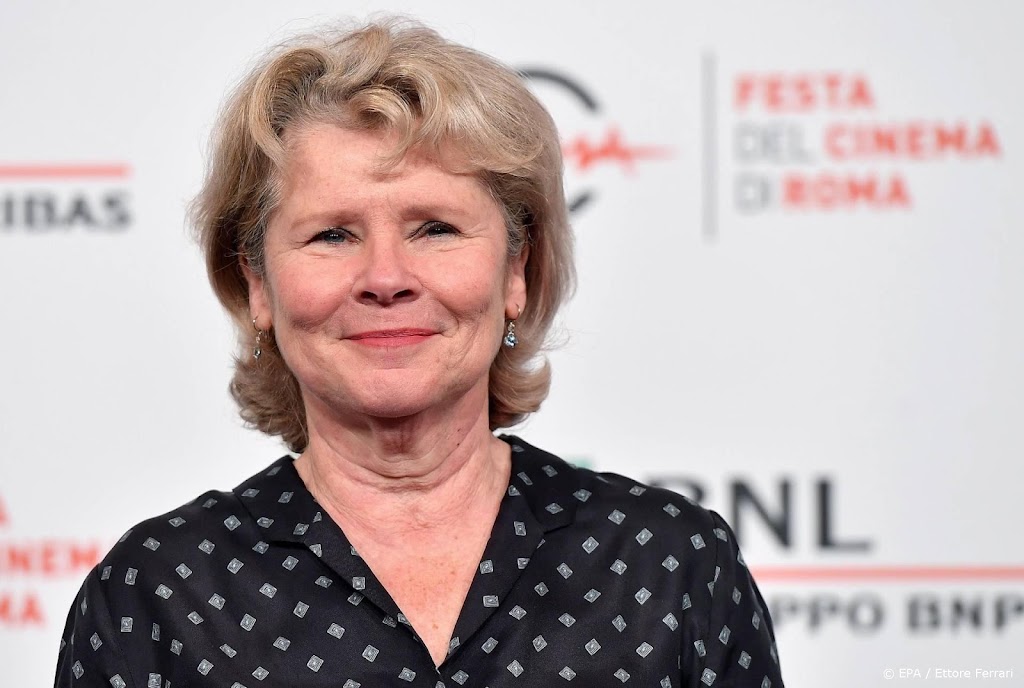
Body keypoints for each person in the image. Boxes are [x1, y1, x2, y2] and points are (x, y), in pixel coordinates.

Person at [54, 18, 784, 688]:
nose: (386, 278)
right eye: (332, 234)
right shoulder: (158, 597)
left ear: (516, 270)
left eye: (435, 228)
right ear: (258, 285)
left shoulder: (670, 569)